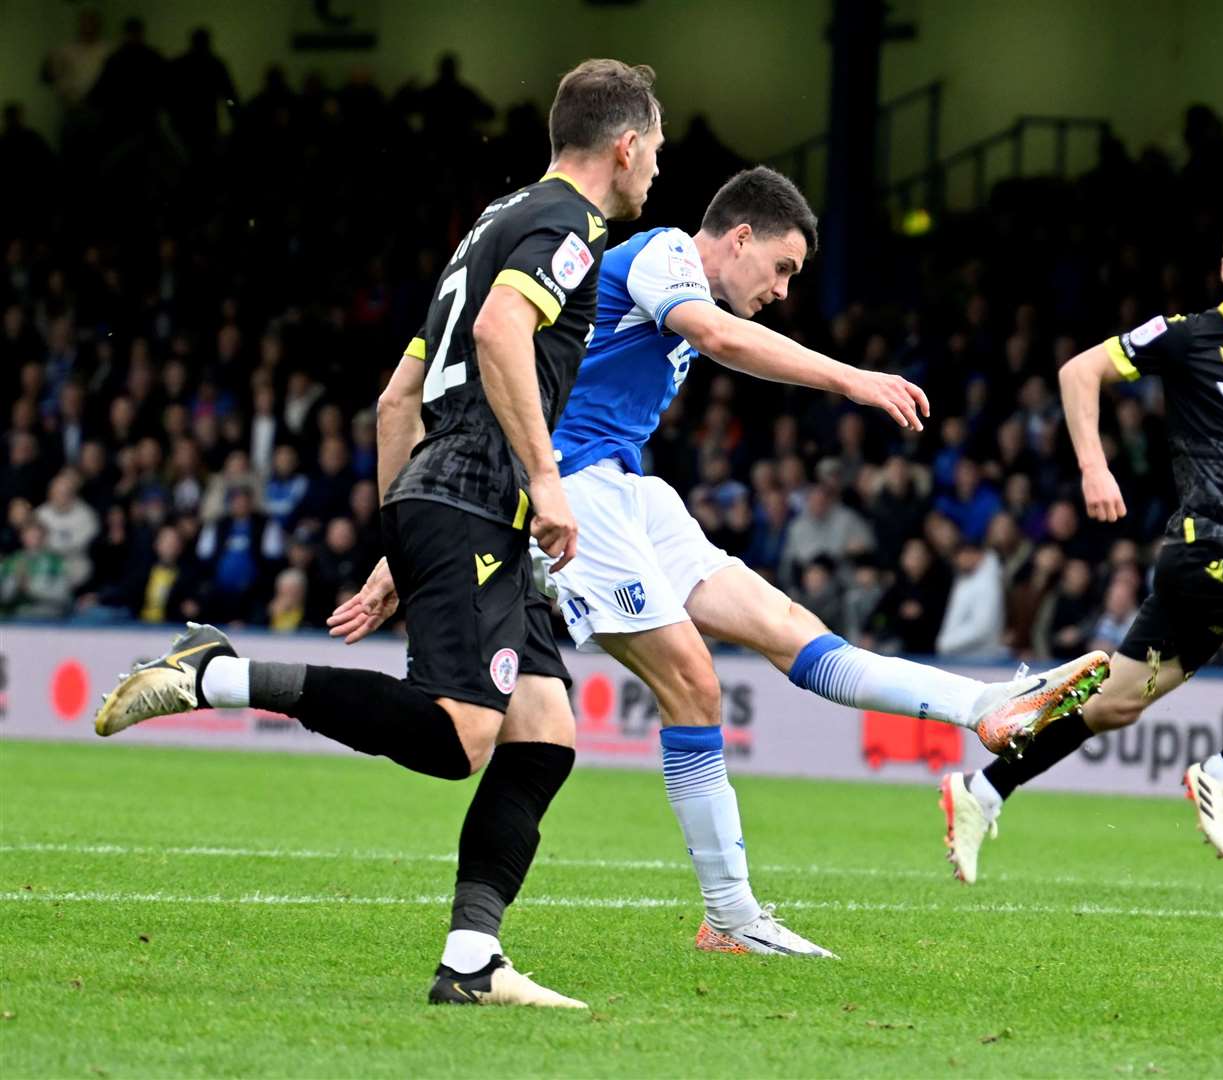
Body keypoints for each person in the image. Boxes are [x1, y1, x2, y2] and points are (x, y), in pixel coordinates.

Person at [93, 59, 662, 1009]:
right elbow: (497, 333)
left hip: (452, 500)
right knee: (459, 736)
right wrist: (545, 477)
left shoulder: (494, 221)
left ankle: (472, 961)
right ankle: (214, 674)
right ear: (626, 144)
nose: (656, 174)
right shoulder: (570, 228)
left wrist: (401, 542)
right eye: (657, 152)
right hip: (484, 497)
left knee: (546, 732)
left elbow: (396, 398)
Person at [534, 168, 1109, 955]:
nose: (781, 290)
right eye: (781, 267)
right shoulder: (663, 251)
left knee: (790, 629)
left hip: (630, 491)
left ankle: (979, 708)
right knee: (693, 683)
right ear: (738, 237)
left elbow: (716, 338)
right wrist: (851, 378)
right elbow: (720, 337)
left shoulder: (681, 292)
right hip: (573, 491)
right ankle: (731, 918)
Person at [941, 214, 1223, 880]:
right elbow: (1077, 372)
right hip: (1201, 545)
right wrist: (1093, 466)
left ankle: (981, 790)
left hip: (1214, 562)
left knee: (1114, 704)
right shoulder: (1185, 335)